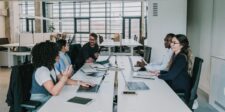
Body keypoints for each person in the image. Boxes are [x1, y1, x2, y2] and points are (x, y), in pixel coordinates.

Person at [151, 34, 193, 103]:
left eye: (174, 43)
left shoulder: (181, 58)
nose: (171, 44)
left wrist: (158, 76)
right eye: (171, 42)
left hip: (180, 87)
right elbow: (172, 72)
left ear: (181, 45)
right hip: (177, 82)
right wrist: (160, 72)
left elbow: (171, 76)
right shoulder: (176, 55)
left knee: (157, 89)